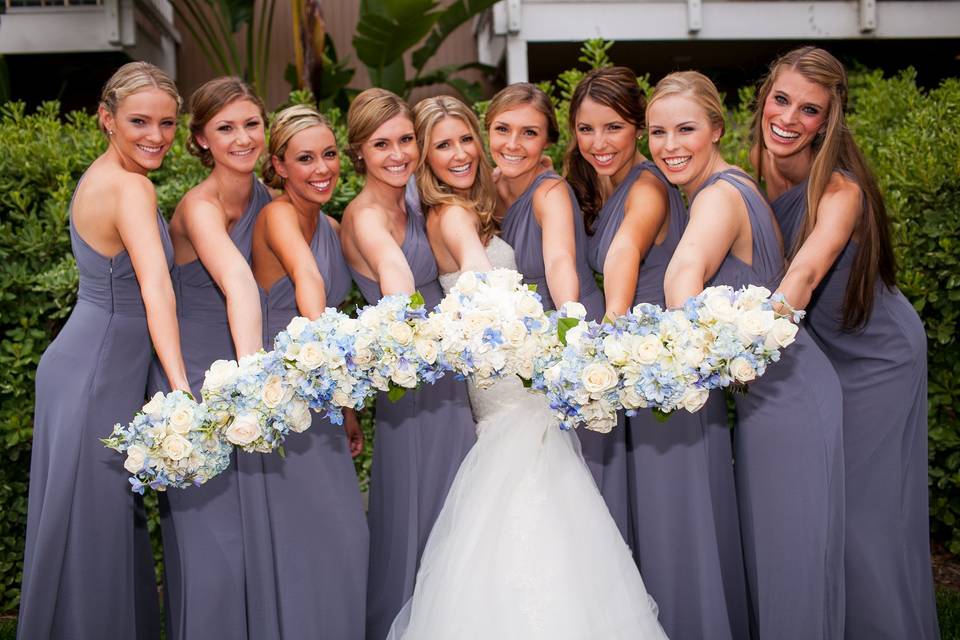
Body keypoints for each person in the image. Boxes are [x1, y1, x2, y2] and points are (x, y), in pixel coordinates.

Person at [386, 93, 667, 640]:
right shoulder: (452, 211)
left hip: (520, 370)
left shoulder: (494, 194)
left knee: (540, 511)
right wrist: (535, 329)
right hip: (509, 375)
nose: (464, 152)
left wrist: (571, 326)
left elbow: (560, 258)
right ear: (422, 153)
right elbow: (477, 272)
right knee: (536, 507)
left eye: (467, 138)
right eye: (444, 144)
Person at [752, 46, 939, 640]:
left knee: (863, 513)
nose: (788, 118)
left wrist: (737, 345)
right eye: (781, 99)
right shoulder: (757, 161)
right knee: (824, 507)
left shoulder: (840, 189)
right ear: (764, 98)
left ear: (828, 119)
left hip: (879, 355)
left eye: (809, 110)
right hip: (820, 356)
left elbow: (801, 278)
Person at [655, 70, 845, 640]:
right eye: (657, 132)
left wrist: (679, 356)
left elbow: (682, 275)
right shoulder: (732, 183)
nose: (670, 146)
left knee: (790, 562)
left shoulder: (717, 196)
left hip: (789, 399)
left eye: (686, 129)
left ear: (716, 128)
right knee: (778, 557)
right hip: (772, 397)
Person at [571, 67, 748, 640]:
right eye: (586, 128)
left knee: (677, 519)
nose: (600, 142)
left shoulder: (646, 184)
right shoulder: (594, 185)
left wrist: (612, 326)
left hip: (658, 367)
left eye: (615, 127)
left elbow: (624, 248)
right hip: (637, 370)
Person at [18, 61, 187, 640]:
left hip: (87, 366)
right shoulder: (130, 186)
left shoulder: (105, 176)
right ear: (106, 118)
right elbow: (156, 290)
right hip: (96, 376)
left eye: (167, 123)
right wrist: (180, 386)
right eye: (139, 121)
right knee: (93, 534)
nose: (156, 136)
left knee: (94, 529)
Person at [338, 88, 476, 640]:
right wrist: (419, 329)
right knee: (424, 519)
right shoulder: (366, 215)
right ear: (359, 153)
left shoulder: (416, 200)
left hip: (452, 376)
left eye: (406, 140)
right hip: (414, 385)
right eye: (382, 144)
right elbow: (395, 275)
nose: (398, 154)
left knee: (464, 514)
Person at [146, 76, 271, 640]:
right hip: (198, 376)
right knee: (213, 546)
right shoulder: (199, 206)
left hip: (244, 360)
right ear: (200, 140)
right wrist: (254, 384)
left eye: (251, 123)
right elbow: (240, 284)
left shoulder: (266, 196)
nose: (242, 138)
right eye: (225, 127)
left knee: (254, 537)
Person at [237, 105, 368, 639]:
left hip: (324, 400)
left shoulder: (333, 225)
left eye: (330, 155)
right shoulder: (277, 216)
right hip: (285, 399)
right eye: (305, 158)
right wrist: (334, 370)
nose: (321, 169)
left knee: (341, 539)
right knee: (313, 539)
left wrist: (347, 408)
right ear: (279, 166)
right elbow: (309, 283)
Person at [484, 83, 620, 535]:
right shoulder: (488, 188)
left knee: (578, 484)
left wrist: (572, 332)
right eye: (503, 129)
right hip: (522, 356)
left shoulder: (550, 192)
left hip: (568, 334)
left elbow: (560, 260)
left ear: (547, 142)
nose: (513, 144)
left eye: (529, 133)